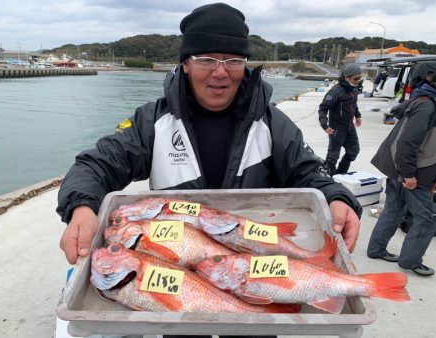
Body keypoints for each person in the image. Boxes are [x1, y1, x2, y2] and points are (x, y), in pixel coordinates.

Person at [57, 1, 362, 319]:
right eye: (206, 59)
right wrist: (82, 206)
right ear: (185, 63)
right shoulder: (152, 122)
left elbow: (309, 172)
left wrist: (336, 196)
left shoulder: (272, 123)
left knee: (257, 325)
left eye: (233, 60)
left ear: (245, 64)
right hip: (176, 286)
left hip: (251, 277)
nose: (220, 72)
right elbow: (96, 164)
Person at [367, 73, 436, 276]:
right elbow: (405, 143)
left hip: (402, 168)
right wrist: (408, 175)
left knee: (394, 208)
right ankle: (410, 261)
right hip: (411, 172)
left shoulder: (422, 101)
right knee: (427, 218)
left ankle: (376, 249)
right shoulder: (427, 106)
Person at [318, 63, 363, 176]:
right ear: (347, 77)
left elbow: (354, 104)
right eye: (355, 78)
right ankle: (330, 177)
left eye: (360, 78)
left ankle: (341, 173)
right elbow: (323, 108)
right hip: (337, 128)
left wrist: (358, 115)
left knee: (354, 151)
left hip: (349, 127)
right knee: (333, 156)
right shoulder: (336, 91)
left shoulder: (354, 88)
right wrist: (325, 125)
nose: (358, 81)